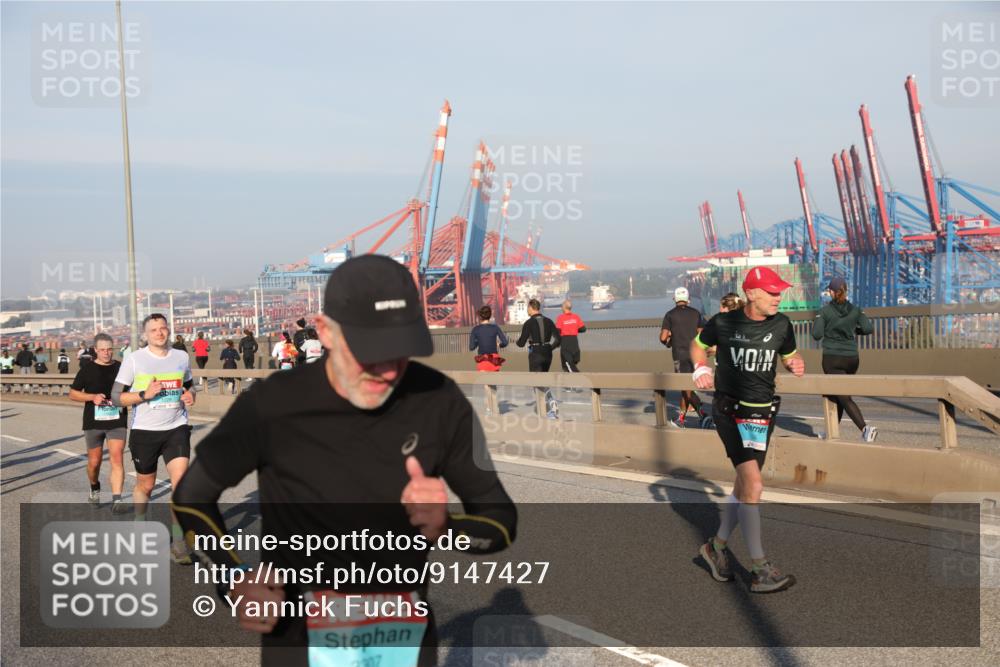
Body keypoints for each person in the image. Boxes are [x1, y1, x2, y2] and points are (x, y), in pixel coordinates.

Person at [172, 254, 517, 666]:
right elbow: (191, 497)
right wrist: (233, 577)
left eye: (400, 352)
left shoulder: (438, 400)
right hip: (298, 639)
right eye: (369, 353)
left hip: (402, 643)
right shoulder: (273, 403)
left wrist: (448, 529)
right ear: (325, 332)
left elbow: (500, 520)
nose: (387, 371)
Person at [691, 266, 804, 593]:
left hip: (762, 414)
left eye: (780, 292)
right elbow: (697, 345)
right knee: (754, 483)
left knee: (744, 486)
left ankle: (715, 547)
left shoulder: (782, 325)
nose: (778, 297)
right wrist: (700, 368)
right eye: (772, 292)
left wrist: (794, 363)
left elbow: (790, 355)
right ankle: (759, 569)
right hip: (730, 410)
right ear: (751, 293)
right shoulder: (723, 323)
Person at [111, 313, 196, 564]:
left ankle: (178, 542)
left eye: (163, 328)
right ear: (145, 335)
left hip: (176, 427)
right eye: (154, 330)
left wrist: (191, 395)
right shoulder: (135, 359)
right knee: (145, 486)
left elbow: (190, 385)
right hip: (145, 432)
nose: (160, 333)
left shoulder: (181, 357)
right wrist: (143, 395)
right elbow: (116, 397)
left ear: (168, 330)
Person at [812, 276, 877, 442]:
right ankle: (830, 432)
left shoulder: (824, 311)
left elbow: (816, 335)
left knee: (843, 397)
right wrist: (854, 331)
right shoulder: (856, 310)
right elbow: (868, 328)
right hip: (851, 359)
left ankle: (865, 429)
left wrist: (825, 327)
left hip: (832, 358)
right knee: (838, 395)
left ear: (831, 292)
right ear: (845, 291)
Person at [69, 333, 129, 513]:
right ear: (95, 350)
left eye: (109, 349)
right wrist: (92, 397)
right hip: (93, 422)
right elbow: (73, 394)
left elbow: (132, 390)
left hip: (117, 420)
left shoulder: (121, 368)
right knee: (94, 462)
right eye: (102, 350)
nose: (106, 353)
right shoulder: (87, 369)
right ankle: (94, 487)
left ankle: (117, 499)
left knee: (117, 458)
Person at [660, 287, 709, 428]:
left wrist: (669, 342)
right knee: (687, 388)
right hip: (696, 355)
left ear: (674, 299)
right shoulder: (696, 313)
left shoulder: (670, 315)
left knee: (685, 387)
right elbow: (702, 334)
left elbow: (663, 337)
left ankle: (703, 415)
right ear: (688, 299)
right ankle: (681, 419)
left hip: (679, 356)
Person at [515, 299, 560, 418]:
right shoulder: (549, 321)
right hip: (547, 353)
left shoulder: (528, 323)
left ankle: (549, 406)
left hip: (535, 353)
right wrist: (549, 348)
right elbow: (558, 339)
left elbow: (521, 343)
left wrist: (516, 341)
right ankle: (549, 406)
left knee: (536, 382)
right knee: (543, 380)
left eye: (527, 308)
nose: (527, 310)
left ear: (531, 308)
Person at [469, 305, 508, 372]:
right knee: (494, 378)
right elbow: (505, 342)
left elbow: (471, 347)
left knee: (484, 378)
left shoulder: (475, 329)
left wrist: (478, 341)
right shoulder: (495, 328)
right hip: (494, 360)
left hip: (482, 360)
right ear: (490, 315)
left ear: (480, 316)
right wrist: (499, 345)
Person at [555, 300, 586, 373]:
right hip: (575, 343)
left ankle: (579, 378)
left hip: (566, 343)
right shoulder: (576, 317)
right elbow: (583, 329)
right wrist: (573, 329)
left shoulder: (561, 317)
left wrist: (555, 345)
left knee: (568, 366)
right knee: (571, 365)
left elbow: (557, 331)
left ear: (564, 307)